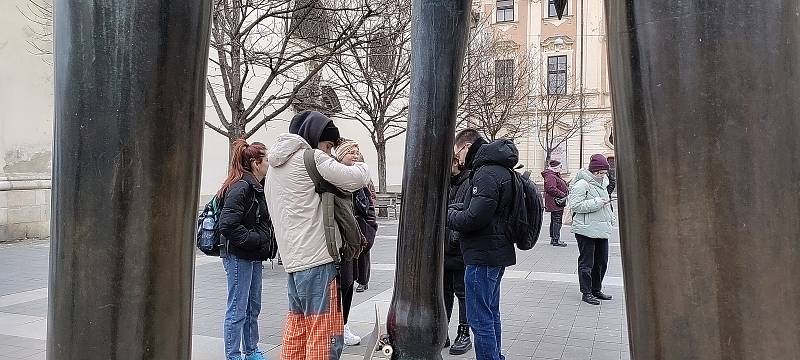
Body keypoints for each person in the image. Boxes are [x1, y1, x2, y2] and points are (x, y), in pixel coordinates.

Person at [265, 111, 370, 360]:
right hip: (318, 261)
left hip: (294, 263)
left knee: (298, 333)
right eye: (328, 145)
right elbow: (357, 179)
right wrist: (359, 164)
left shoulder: (273, 168)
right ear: (315, 138)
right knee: (324, 338)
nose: (330, 151)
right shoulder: (310, 157)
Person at [448, 129, 517, 360]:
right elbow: (478, 208)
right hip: (495, 252)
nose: (458, 158)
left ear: (466, 146)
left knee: (479, 318)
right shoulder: (499, 169)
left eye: (457, 152)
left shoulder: (485, 173)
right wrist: (454, 209)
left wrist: (446, 217)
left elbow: (475, 218)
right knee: (490, 312)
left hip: (482, 255)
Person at [218, 139, 274, 360]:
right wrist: (255, 239)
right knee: (237, 309)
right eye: (267, 160)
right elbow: (228, 225)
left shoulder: (256, 187)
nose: (270, 164)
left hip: (253, 255)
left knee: (252, 306)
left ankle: (251, 351)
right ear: (255, 163)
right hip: (238, 255)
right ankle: (233, 355)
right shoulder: (241, 187)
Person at [332, 140, 378, 347]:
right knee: (338, 286)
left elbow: (369, 211)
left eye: (357, 151)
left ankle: (344, 324)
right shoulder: (334, 179)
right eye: (350, 151)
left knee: (349, 284)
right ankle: (336, 326)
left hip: (357, 243)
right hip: (339, 243)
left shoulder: (362, 183)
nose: (355, 154)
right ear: (340, 154)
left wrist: (367, 234)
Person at [442, 129, 476, 355]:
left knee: (462, 293)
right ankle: (441, 331)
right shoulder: (444, 183)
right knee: (443, 292)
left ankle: (464, 333)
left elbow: (464, 214)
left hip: (459, 250)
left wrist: (453, 240)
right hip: (442, 251)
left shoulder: (469, 180)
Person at [568, 154, 616, 306]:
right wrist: (597, 202)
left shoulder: (604, 182)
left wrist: (610, 217)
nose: (603, 175)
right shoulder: (582, 184)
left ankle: (596, 289)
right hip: (585, 229)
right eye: (600, 172)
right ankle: (586, 292)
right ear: (593, 171)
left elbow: (605, 204)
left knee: (601, 261)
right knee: (587, 262)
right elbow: (575, 205)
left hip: (601, 228)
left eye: (605, 172)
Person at [355, 178, 377, 294]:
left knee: (363, 252)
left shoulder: (364, 180)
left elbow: (372, 197)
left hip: (363, 221)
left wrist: (370, 224)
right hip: (353, 221)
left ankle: (363, 280)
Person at [542, 160, 569, 247]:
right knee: (557, 220)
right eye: (560, 167)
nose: (561, 169)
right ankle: (555, 240)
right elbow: (551, 188)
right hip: (556, 201)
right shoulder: (551, 176)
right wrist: (562, 194)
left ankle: (554, 238)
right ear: (556, 167)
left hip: (556, 201)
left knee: (555, 220)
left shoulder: (554, 175)